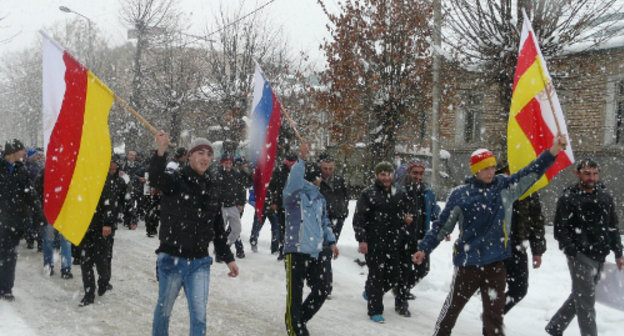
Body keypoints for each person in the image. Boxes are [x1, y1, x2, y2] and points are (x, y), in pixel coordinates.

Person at [412, 135, 567, 336]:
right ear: (476, 170)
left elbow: (531, 173)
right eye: (486, 168)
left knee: (494, 317)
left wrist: (553, 152)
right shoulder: (460, 195)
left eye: (493, 167)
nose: (491, 172)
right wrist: (424, 248)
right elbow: (442, 226)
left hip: (496, 264)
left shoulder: (503, 187)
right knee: (452, 309)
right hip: (468, 263)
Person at [150, 132, 239, 336]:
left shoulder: (212, 186)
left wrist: (228, 258)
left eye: (209, 154)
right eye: (200, 152)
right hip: (171, 259)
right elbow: (155, 179)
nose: (205, 157)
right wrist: (161, 151)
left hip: (199, 262)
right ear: (189, 156)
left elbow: (217, 227)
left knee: (199, 316)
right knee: (164, 311)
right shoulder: (175, 180)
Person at [545, 158, 624, 336]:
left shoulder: (605, 197)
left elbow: (613, 226)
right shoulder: (568, 198)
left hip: (600, 254)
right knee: (586, 301)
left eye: (595, 174)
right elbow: (560, 229)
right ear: (578, 173)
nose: (591, 178)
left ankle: (556, 326)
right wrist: (571, 250)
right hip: (580, 255)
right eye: (587, 173)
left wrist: (618, 252)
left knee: (581, 295)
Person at [283, 144, 339, 336]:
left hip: (316, 250)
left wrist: (331, 242)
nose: (319, 180)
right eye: (316, 177)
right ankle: (295, 327)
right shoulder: (294, 196)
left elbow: (324, 222)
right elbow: (294, 180)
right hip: (296, 250)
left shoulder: (319, 199)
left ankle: (298, 319)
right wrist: (302, 159)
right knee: (295, 295)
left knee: (323, 287)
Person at [353, 161, 407, 323]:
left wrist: (404, 220)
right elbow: (359, 218)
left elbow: (400, 213)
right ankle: (375, 310)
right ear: (377, 175)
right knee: (377, 275)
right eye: (383, 174)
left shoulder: (398, 193)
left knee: (394, 275)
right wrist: (362, 239)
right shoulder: (368, 194)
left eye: (389, 174)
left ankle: (370, 292)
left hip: (392, 242)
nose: (386, 177)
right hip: (373, 242)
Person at [495, 165, 546, 314]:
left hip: (518, 247)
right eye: (509, 171)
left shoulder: (529, 191)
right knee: (494, 288)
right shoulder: (494, 188)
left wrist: (537, 250)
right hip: (496, 247)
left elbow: (537, 222)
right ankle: (491, 325)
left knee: (519, 289)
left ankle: (494, 315)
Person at [78, 156, 126, 306]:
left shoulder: (106, 181)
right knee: (85, 262)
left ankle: (104, 280)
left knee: (102, 259)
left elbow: (111, 204)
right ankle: (88, 293)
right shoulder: (82, 179)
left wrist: (108, 223)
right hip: (85, 226)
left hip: (101, 227)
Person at [0, 139, 44, 301]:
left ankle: (6, 288)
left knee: (10, 256)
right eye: (22, 150)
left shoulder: (22, 170)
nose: (24, 153)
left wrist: (40, 214)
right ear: (12, 152)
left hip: (14, 221)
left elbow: (30, 194)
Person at [399, 162, 440, 302]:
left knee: (423, 269)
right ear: (409, 173)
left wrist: (443, 222)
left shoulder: (427, 191)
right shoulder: (401, 190)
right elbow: (391, 211)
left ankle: (404, 288)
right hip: (404, 236)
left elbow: (434, 212)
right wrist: (402, 217)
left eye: (421, 173)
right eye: (415, 173)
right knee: (404, 268)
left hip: (422, 236)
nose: (418, 176)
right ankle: (401, 296)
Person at [215, 152, 247, 259]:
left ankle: (225, 246)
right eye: (226, 163)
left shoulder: (236, 174)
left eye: (230, 163)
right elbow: (214, 191)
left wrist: (241, 203)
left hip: (233, 206)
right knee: (220, 230)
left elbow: (241, 189)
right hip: (222, 207)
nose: (228, 165)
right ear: (222, 163)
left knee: (237, 229)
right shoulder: (218, 174)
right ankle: (219, 250)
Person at [268, 151, 298, 260]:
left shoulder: (300, 171)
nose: (290, 165)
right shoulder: (280, 171)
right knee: (282, 229)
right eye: (288, 163)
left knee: (294, 229)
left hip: (296, 205)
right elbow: (272, 187)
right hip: (282, 204)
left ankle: (293, 250)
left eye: (292, 163)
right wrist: (273, 202)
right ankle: (282, 249)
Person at [318, 153, 349, 242]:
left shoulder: (339, 180)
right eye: (325, 168)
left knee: (333, 241)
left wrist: (344, 210)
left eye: (330, 168)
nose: (328, 171)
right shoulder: (317, 182)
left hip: (338, 215)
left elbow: (346, 196)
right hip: (324, 216)